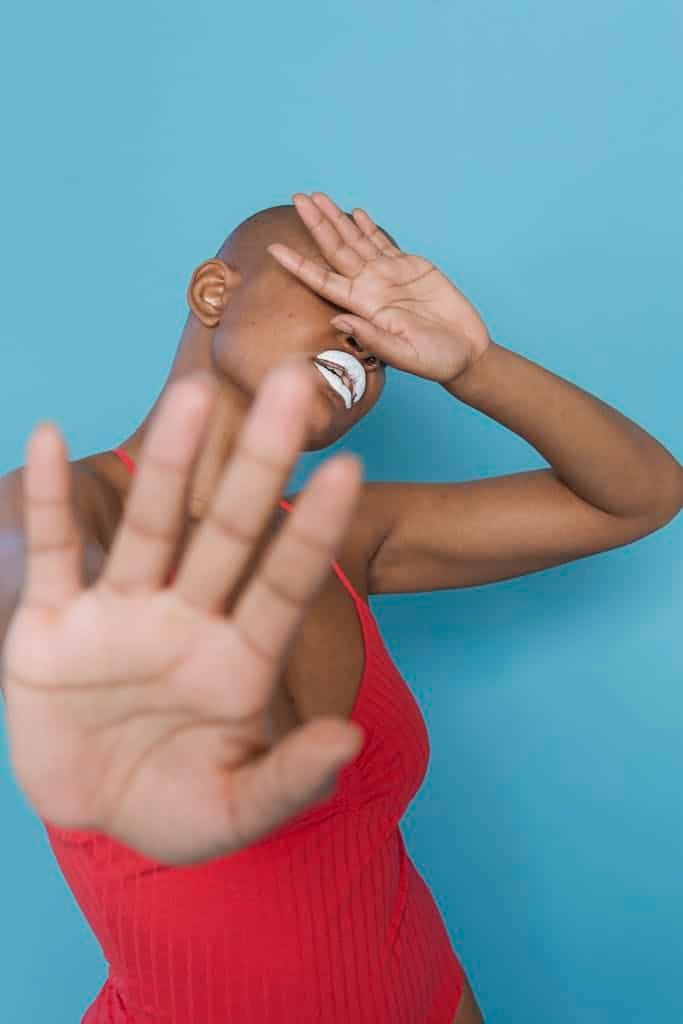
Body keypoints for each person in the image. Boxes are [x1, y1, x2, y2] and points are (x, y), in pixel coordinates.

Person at [1, 192, 681, 1023]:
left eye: (378, 337)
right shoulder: (57, 509)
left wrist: (474, 364)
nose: (361, 339)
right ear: (215, 293)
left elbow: (636, 498)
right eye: (337, 296)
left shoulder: (337, 536)